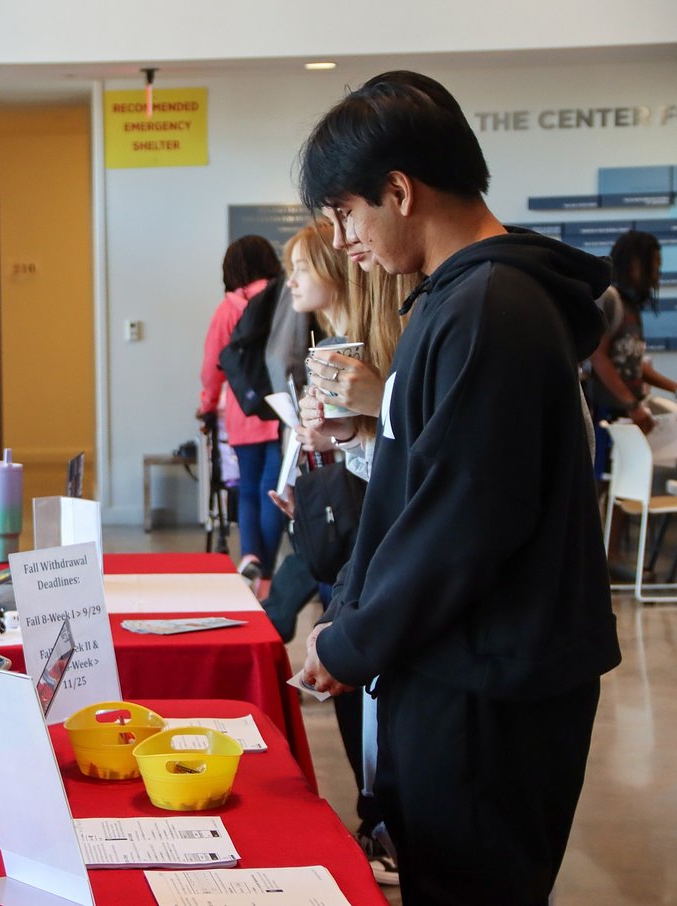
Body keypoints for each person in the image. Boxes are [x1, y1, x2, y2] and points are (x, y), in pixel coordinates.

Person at [297, 71, 621, 905]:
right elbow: (431, 482)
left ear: (399, 191)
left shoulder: (492, 307)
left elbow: (464, 522)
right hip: (463, 667)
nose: (343, 239)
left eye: (345, 213)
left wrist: (353, 640)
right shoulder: (458, 301)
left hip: (490, 687)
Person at [266, 218, 410, 886]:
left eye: (301, 267)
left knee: (372, 695)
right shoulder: (334, 344)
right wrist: (338, 445)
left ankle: (384, 822)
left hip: (376, 555)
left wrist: (365, 419)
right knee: (359, 699)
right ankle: (378, 817)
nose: (291, 280)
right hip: (351, 547)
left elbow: (413, 473)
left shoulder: (391, 345)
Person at [198, 235, 288, 583]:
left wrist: (206, 405)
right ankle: (266, 574)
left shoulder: (227, 309)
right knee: (273, 489)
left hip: (243, 409)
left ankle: (250, 553)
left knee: (247, 488)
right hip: (283, 409)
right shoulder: (286, 298)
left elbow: (212, 367)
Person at [586, 229, 677, 467]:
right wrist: (632, 404)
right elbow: (599, 357)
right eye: (654, 263)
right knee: (602, 484)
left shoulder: (632, 307)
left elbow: (632, 364)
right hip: (604, 413)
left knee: (618, 487)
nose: (657, 273)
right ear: (635, 263)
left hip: (624, 413)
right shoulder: (610, 299)